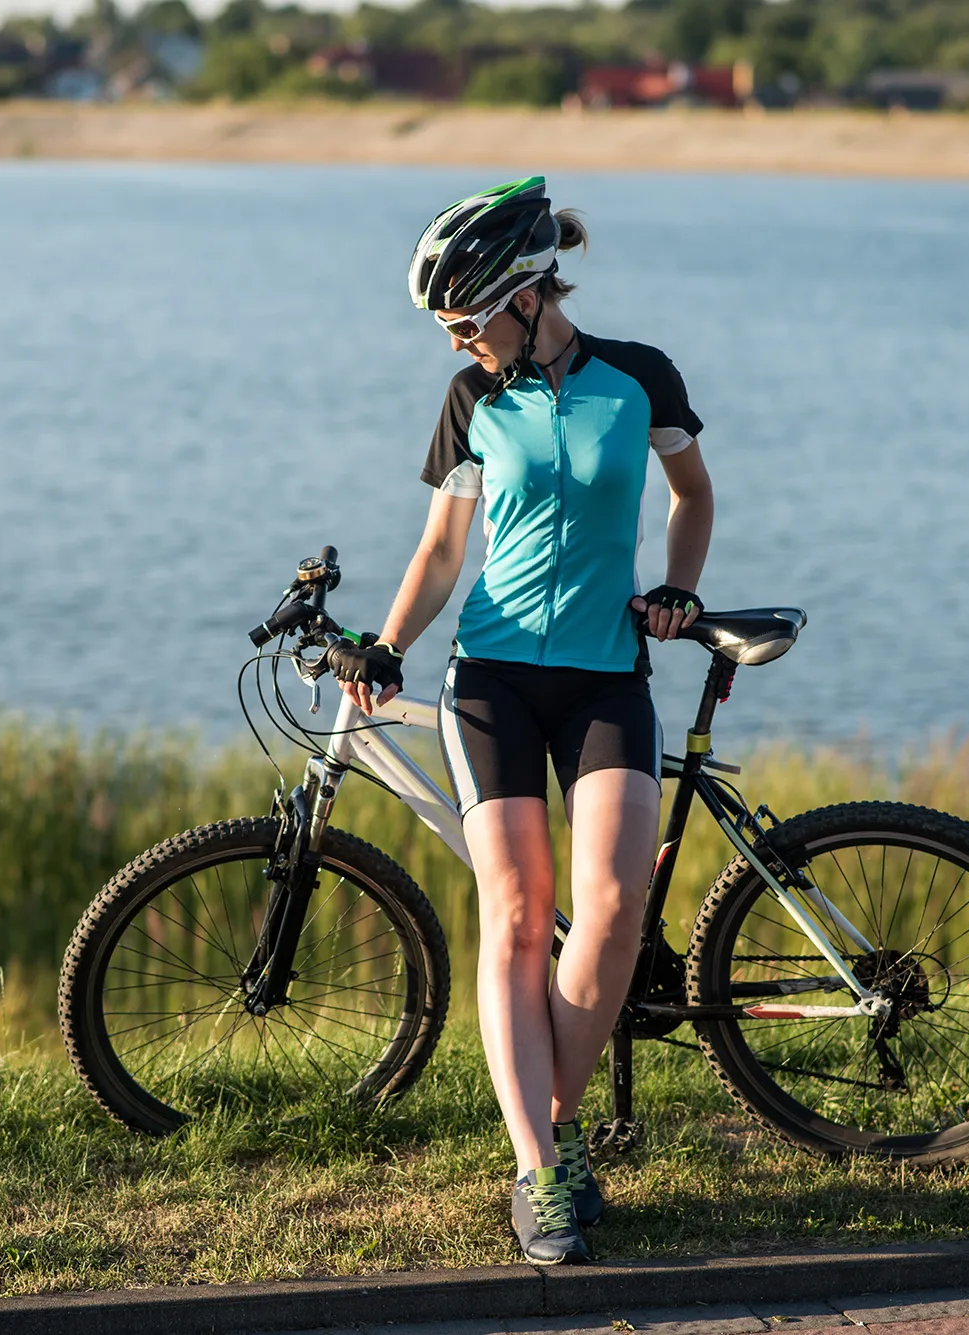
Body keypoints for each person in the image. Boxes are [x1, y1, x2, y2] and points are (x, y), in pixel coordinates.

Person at [325, 177, 715, 1265]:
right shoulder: (469, 398)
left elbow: (692, 496)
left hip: (604, 677)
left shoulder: (640, 380)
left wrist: (677, 589)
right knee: (512, 914)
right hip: (490, 676)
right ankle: (540, 1171)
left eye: (464, 317)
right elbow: (441, 551)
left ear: (529, 295)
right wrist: (388, 642)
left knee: (608, 907)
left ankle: (556, 1123)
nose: (455, 339)